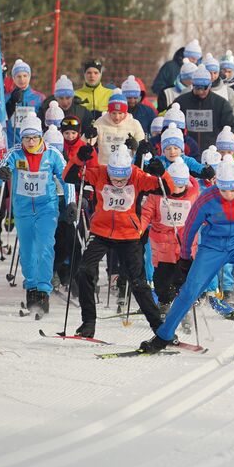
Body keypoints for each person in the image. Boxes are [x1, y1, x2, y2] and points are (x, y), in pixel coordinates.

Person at [141, 160, 234, 357]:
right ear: (217, 185)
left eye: (233, 189)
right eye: (224, 190)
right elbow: (189, 228)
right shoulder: (206, 198)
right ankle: (163, 336)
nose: (229, 195)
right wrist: (185, 257)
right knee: (190, 289)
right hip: (213, 247)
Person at [68, 144, 163, 337]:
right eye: (114, 177)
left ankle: (160, 327)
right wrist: (79, 158)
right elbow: (70, 176)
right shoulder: (100, 173)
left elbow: (165, 188)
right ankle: (88, 323)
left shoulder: (137, 175)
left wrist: (160, 173)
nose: (118, 182)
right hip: (101, 232)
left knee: (137, 282)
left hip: (128, 236)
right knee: (84, 270)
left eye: (122, 177)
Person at [0, 120, 66, 318]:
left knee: (45, 247)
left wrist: (72, 202)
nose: (31, 142)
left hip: (46, 208)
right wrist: (1, 174)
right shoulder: (15, 153)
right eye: (26, 138)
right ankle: (31, 286)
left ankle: (43, 290)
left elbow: (67, 179)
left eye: (34, 137)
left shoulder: (52, 154)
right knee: (27, 252)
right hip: (23, 209)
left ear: (41, 137)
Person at [141, 158, 200, 325]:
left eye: (180, 187)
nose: (176, 190)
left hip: (185, 249)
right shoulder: (157, 196)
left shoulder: (193, 196)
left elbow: (202, 214)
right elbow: (146, 214)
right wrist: (139, 228)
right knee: (161, 281)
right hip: (162, 248)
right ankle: (164, 304)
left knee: (183, 282)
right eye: (173, 186)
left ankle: (184, 310)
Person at [173, 66, 234, 155]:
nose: (200, 92)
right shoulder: (181, 102)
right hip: (187, 154)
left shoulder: (221, 104)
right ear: (192, 85)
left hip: (213, 154)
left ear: (210, 85)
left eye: (204, 88)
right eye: (197, 88)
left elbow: (232, 128)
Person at [91, 91, 146, 166]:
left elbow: (144, 152)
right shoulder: (100, 122)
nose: (117, 117)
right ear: (109, 111)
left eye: (120, 113)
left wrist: (136, 146)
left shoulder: (134, 124)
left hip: (126, 168)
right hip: (104, 167)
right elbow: (86, 144)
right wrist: (88, 135)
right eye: (114, 113)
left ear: (125, 112)